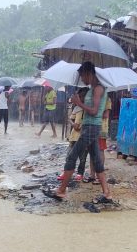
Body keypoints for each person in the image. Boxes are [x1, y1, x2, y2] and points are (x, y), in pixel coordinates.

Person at [47, 62, 112, 202]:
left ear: (89, 73)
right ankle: (107, 193)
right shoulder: (92, 89)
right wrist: (79, 100)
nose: (82, 79)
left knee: (72, 157)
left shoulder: (98, 89)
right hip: (90, 126)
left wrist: (79, 104)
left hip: (91, 127)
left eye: (82, 75)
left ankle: (61, 191)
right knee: (97, 161)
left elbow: (94, 111)